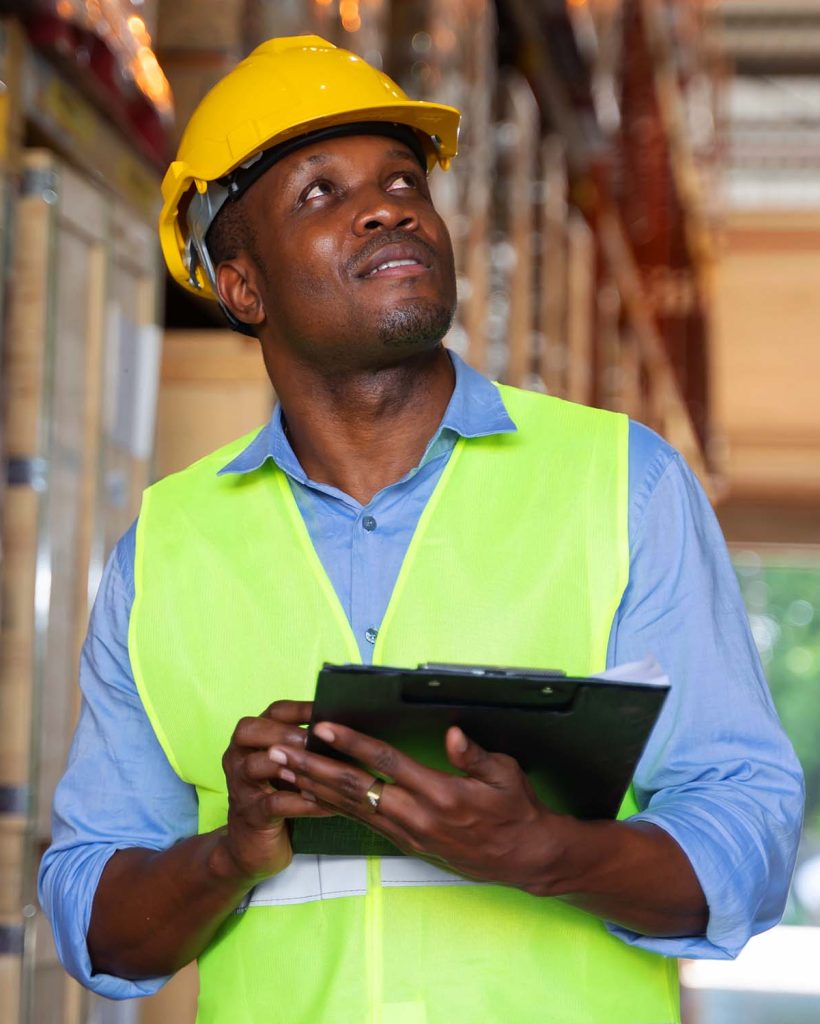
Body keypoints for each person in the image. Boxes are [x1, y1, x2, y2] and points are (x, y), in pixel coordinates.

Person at [39, 35, 803, 1024]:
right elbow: (96, 929)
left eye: (403, 180)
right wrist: (230, 852)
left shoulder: (622, 484)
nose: (389, 204)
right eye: (319, 192)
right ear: (243, 288)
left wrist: (546, 851)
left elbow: (747, 831)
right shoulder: (166, 550)